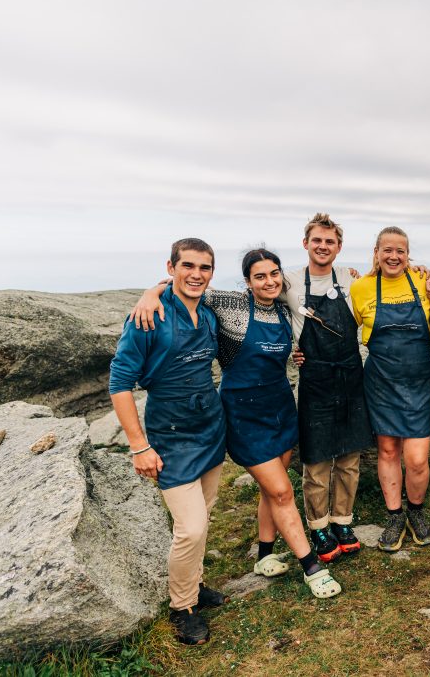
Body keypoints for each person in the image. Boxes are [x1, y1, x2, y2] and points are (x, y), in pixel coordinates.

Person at [130, 248, 342, 601]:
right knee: (281, 492)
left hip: (280, 408)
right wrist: (151, 294)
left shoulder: (284, 309)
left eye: (274, 274)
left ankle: (264, 555)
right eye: (260, 276)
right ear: (247, 282)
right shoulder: (231, 304)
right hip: (243, 414)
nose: (269, 281)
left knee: (270, 490)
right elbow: (183, 285)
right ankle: (313, 568)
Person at [109, 238, 229, 645]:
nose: (196, 274)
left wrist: (155, 286)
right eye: (188, 266)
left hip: (210, 429)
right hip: (171, 436)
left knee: (204, 515)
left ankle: (193, 587)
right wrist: (139, 445)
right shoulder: (148, 317)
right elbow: (119, 383)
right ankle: (181, 608)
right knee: (190, 528)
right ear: (172, 267)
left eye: (205, 267)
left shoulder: (209, 314)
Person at [283, 213, 372, 563]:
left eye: (330, 242)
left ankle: (342, 521)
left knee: (349, 458)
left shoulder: (353, 280)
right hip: (315, 381)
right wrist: (156, 292)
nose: (323, 246)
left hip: (351, 376)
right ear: (306, 243)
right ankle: (318, 525)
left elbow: (390, 279)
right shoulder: (289, 280)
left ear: (339, 247)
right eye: (316, 241)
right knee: (317, 461)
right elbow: (255, 292)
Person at [350, 226, 430, 551]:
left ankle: (416, 510)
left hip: (420, 382)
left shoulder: (421, 280)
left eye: (400, 250)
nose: (394, 256)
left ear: (408, 253)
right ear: (376, 252)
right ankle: (395, 514)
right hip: (381, 383)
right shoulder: (360, 288)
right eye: (387, 249)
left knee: (416, 458)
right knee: (388, 451)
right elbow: (343, 332)